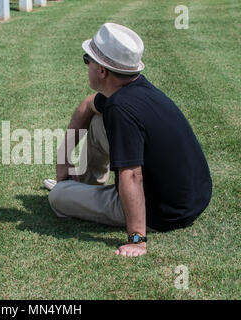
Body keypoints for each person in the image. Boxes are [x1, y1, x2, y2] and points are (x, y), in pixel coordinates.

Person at [44, 23, 212, 257]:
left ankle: (73, 190)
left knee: (58, 197)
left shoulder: (120, 108)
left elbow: (132, 175)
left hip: (163, 211)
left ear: (102, 70)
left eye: (87, 59)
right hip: (193, 197)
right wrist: (63, 160)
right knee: (95, 122)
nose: (86, 65)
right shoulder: (136, 89)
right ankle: (86, 185)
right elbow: (87, 105)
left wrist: (137, 239)